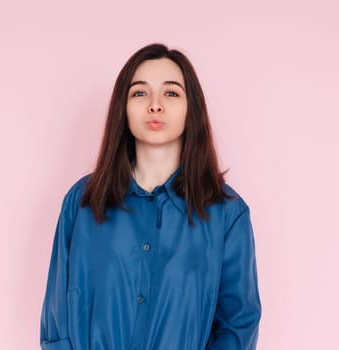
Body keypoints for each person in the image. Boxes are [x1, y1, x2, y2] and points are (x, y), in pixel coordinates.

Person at [40, 43, 261, 350]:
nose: (155, 105)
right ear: (123, 108)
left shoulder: (227, 213)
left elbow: (237, 324)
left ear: (191, 108)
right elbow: (57, 324)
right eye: (140, 93)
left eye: (171, 93)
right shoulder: (83, 203)